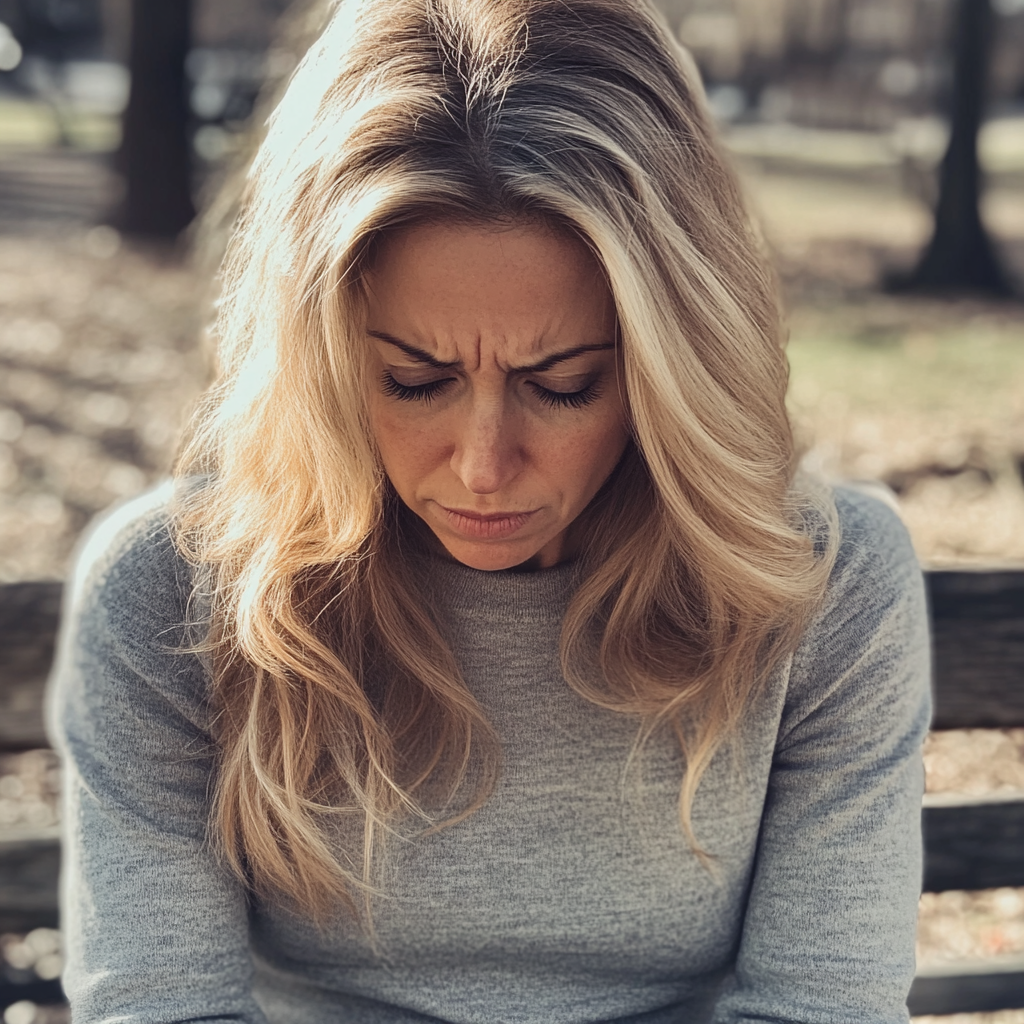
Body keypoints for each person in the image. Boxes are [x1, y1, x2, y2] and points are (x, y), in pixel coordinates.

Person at [49, 0, 931, 1021]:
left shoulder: (824, 586)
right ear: (323, 364)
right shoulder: (171, 594)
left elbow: (818, 1007)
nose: (480, 467)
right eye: (415, 381)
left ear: (671, 372)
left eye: (561, 385)